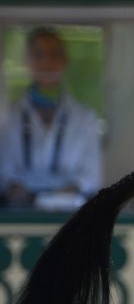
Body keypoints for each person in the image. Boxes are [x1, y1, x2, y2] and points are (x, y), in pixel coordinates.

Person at [0, 27, 102, 209]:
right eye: (39, 55)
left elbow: (91, 177)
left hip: (72, 216)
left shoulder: (85, 118)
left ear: (65, 61)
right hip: (19, 215)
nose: (47, 63)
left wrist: (66, 192)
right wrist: (17, 190)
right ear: (28, 62)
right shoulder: (9, 117)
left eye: (54, 54)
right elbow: (5, 171)